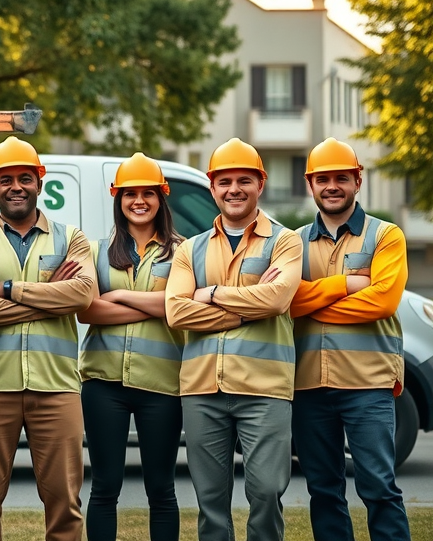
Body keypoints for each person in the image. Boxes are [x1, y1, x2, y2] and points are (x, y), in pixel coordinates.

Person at [164, 138, 302, 541]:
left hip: (265, 387)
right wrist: (249, 306)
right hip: (202, 388)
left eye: (244, 180)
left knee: (265, 493)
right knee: (210, 500)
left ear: (261, 183)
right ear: (212, 188)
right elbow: (176, 311)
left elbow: (277, 299)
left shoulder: (286, 241)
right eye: (224, 181)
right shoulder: (190, 249)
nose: (234, 189)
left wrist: (211, 294)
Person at [0, 136, 93, 541]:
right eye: (6, 180)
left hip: (56, 385)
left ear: (40, 182)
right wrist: (52, 297)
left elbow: (83, 294)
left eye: (25, 178)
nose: (16, 186)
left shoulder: (72, 238)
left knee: (66, 504)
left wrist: (10, 287)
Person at [290, 138, 411, 541]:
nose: (332, 186)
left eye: (342, 177)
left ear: (358, 181)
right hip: (308, 385)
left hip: (368, 384)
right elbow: (283, 303)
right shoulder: (291, 244)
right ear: (311, 185)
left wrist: (310, 300)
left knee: (378, 488)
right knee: (323, 491)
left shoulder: (386, 236)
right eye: (323, 179)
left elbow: (382, 301)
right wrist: (345, 284)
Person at [78, 153, 184, 541]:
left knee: (162, 489)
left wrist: (119, 294)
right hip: (103, 385)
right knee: (105, 488)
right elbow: (88, 310)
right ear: (117, 199)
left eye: (147, 193)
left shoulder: (182, 251)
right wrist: (154, 306)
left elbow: (178, 308)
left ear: (161, 197)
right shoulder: (93, 250)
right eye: (129, 194)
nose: (139, 201)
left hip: (162, 386)